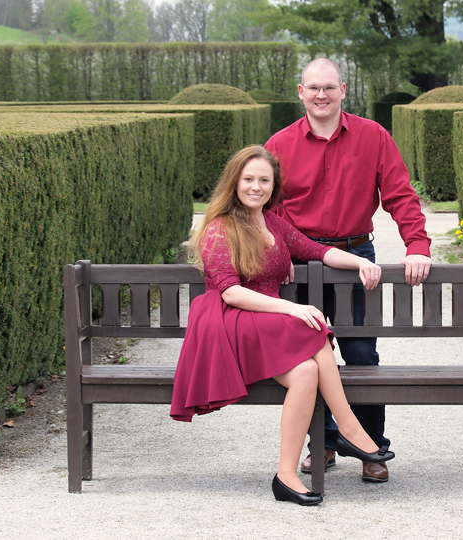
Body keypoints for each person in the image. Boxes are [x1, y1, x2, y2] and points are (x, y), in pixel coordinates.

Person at [170, 145, 394, 506]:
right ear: (235, 182)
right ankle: (348, 427)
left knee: (306, 373)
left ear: (274, 187)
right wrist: (290, 308)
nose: (256, 186)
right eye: (248, 179)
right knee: (312, 326)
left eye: (264, 180)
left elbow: (316, 250)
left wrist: (359, 263)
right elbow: (230, 293)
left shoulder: (274, 224)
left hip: (264, 321)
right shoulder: (219, 228)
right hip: (229, 322)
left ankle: (286, 476)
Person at [264, 58, 432, 483]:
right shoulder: (279, 144)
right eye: (313, 88)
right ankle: (321, 445)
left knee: (360, 355)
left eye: (329, 88)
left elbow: (400, 195)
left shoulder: (373, 136)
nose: (321, 95)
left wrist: (417, 245)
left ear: (342, 90)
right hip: (299, 266)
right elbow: (263, 209)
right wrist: (277, 255)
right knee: (308, 359)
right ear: (300, 92)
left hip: (356, 259)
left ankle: (372, 449)